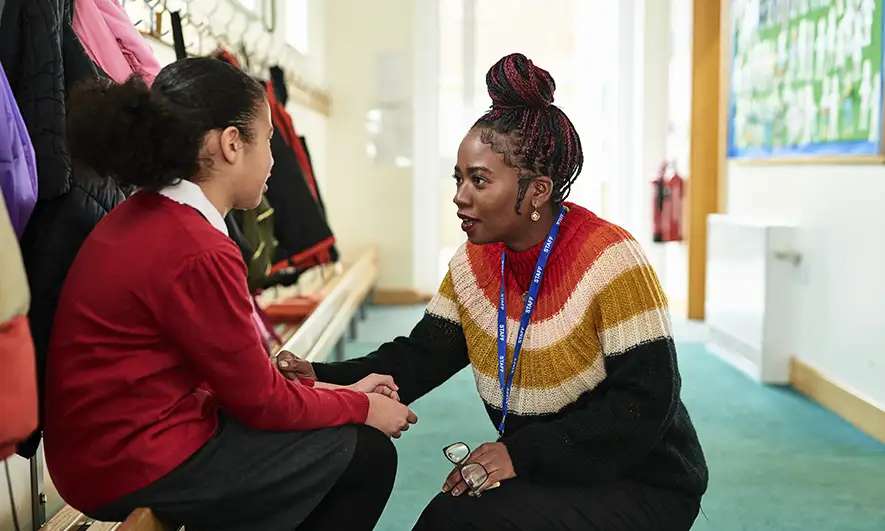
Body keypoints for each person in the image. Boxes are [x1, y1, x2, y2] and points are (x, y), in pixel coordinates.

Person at [282, 53, 708, 530]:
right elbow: (418, 357)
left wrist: (518, 453)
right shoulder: (474, 263)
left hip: (642, 479)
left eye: (479, 180)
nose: (460, 196)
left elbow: (645, 402)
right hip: (555, 467)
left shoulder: (610, 259)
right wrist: (317, 373)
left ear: (537, 190)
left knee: (457, 524)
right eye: (458, 178)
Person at [43, 57, 416, 531]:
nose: (274, 161)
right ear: (232, 144)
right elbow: (260, 402)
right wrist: (362, 407)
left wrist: (334, 391)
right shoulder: (197, 248)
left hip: (103, 454)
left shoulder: (148, 213)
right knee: (366, 454)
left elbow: (236, 382)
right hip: (128, 463)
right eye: (268, 141)